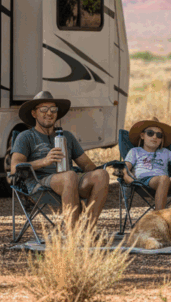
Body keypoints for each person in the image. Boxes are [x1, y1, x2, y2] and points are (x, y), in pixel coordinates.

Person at [10, 90, 110, 228]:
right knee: (69, 176)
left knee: (101, 175)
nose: (49, 113)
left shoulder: (67, 136)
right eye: (44, 109)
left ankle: (88, 230)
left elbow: (87, 165)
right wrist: (44, 161)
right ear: (34, 113)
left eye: (53, 109)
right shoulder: (26, 137)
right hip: (40, 182)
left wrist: (100, 177)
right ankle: (72, 233)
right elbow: (15, 167)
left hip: (71, 181)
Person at [123, 118, 171, 209]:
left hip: (165, 181)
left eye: (159, 135)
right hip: (144, 182)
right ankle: (158, 215)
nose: (154, 137)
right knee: (164, 178)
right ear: (142, 136)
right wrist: (127, 176)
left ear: (161, 139)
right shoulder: (135, 151)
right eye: (150, 133)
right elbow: (125, 167)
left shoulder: (165, 152)